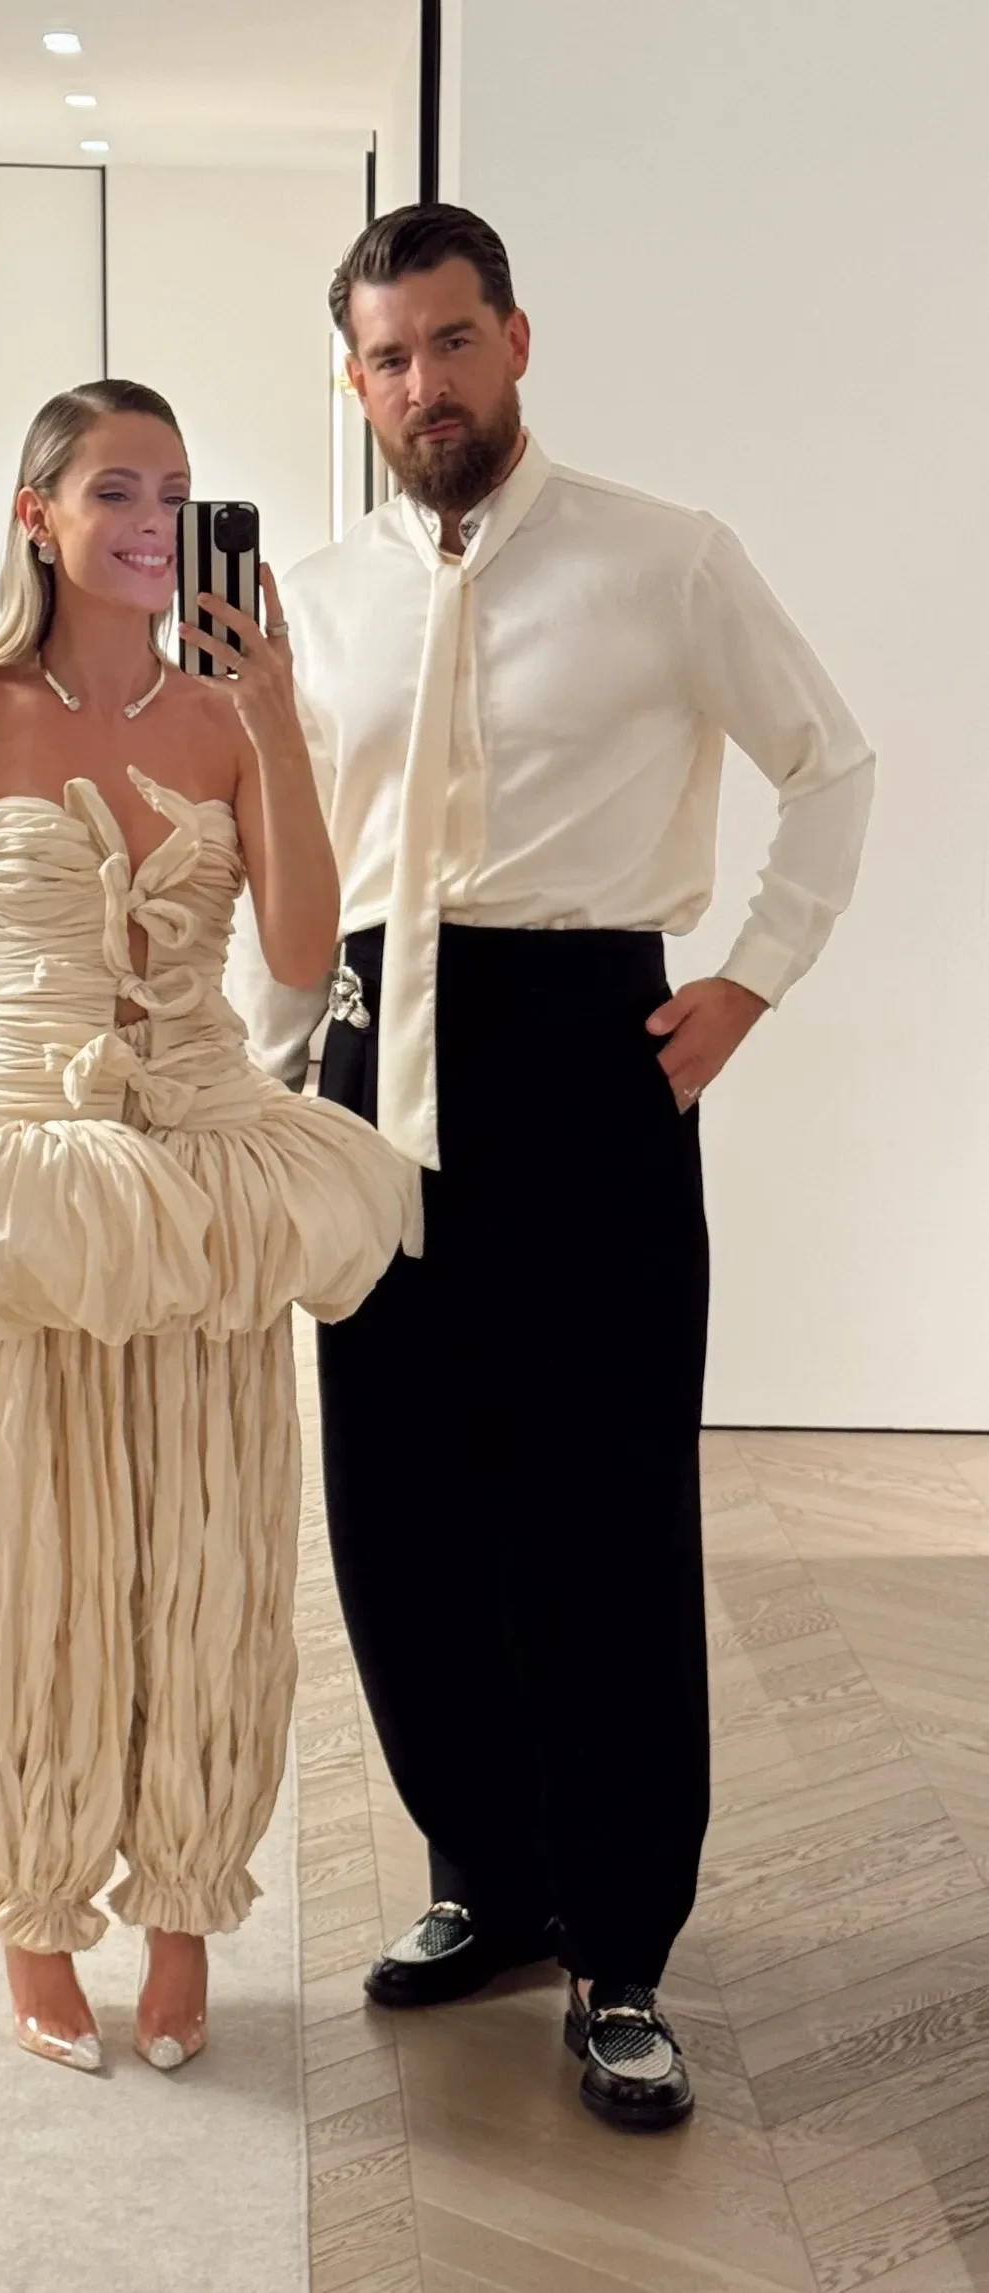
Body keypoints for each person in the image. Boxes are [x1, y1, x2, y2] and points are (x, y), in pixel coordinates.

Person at [226, 205, 875, 2131]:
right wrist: (260, 1077)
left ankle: (619, 1949)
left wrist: (749, 980)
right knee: (399, 1516)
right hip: (369, 1062)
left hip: (587, 1052)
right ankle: (489, 1886)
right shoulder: (313, 601)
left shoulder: (664, 559)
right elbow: (295, 862)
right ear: (352, 383)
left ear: (515, 340)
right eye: (386, 358)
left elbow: (829, 762)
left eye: (450, 341)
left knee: (596, 1517)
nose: (421, 385)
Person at [0, 378, 416, 2079]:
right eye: (118, 490)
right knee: (25, 1556)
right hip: (22, 1188)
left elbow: (300, 954)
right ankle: (38, 1912)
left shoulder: (229, 718)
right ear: (38, 515)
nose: (152, 522)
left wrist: (273, 721)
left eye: (177, 493)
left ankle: (184, 1913)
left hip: (198, 1177)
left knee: (202, 1552)